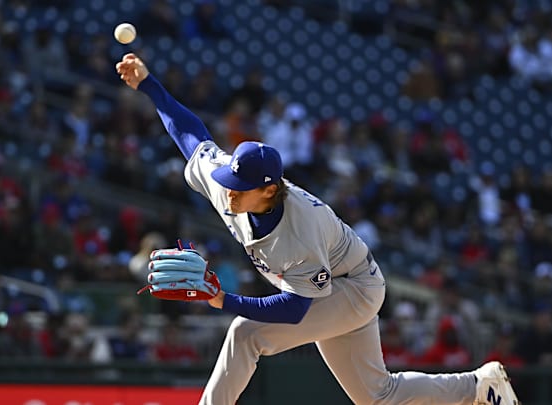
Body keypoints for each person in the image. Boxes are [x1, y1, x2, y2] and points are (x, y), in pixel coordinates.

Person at [115, 53, 520, 405]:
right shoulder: (228, 184)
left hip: (354, 286)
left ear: (270, 189)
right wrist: (149, 85)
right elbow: (191, 136)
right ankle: (478, 386)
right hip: (337, 283)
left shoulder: (299, 230)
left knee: (245, 333)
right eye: (231, 183)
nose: (231, 193)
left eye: (243, 188)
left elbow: (294, 309)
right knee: (377, 397)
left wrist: (224, 300)